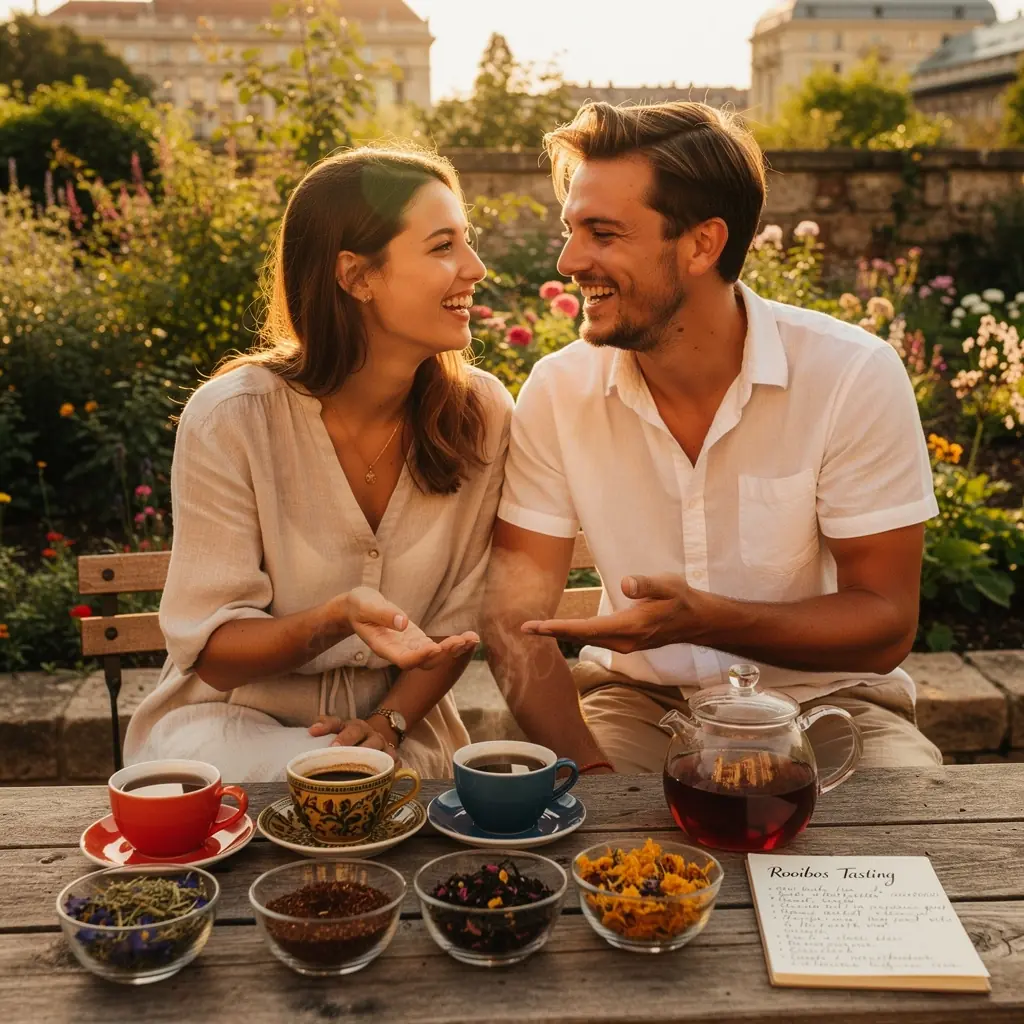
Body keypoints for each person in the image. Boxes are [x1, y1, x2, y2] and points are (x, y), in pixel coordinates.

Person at [483, 101, 943, 774]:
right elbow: (512, 621)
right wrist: (597, 777)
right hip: (636, 702)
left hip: (831, 703)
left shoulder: (850, 375)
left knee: (903, 837)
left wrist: (711, 619)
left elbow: (885, 625)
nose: (569, 258)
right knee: (598, 854)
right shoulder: (559, 390)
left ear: (702, 244)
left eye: (602, 233)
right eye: (572, 229)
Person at [124, 146, 513, 782]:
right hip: (227, 732)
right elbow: (216, 656)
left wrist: (385, 724)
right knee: (343, 783)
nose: (476, 267)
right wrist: (334, 619)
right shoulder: (233, 418)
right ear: (356, 276)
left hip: (397, 737)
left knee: (378, 786)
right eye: (443, 246)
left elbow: (453, 630)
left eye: (465, 242)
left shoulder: (483, 414)